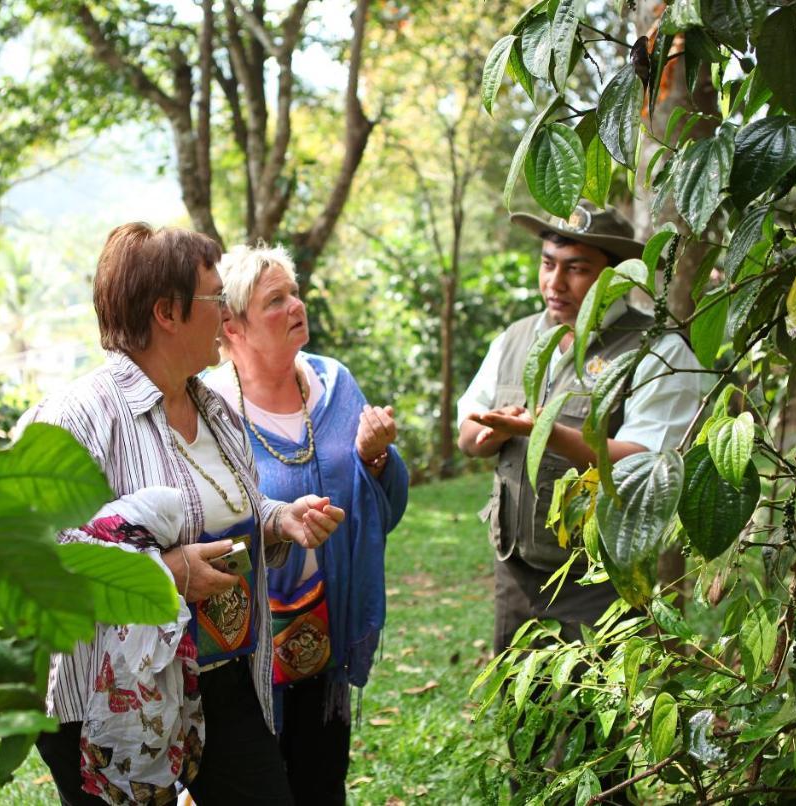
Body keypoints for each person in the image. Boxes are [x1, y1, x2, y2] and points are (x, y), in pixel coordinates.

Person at [21, 223, 346, 805]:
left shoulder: (216, 405)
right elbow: (30, 559)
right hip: (112, 697)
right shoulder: (76, 419)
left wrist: (278, 519)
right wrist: (163, 575)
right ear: (167, 312)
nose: (227, 315)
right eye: (215, 299)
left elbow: (226, 506)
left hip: (223, 678)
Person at [204, 244, 409, 805]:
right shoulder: (209, 408)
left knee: (321, 784)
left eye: (294, 292)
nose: (296, 305)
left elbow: (383, 509)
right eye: (275, 300)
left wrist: (375, 459)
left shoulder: (335, 385)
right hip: (246, 649)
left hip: (326, 633)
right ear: (231, 325)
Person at [457, 202, 703, 653]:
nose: (555, 283)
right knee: (522, 715)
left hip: (599, 581)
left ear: (616, 276)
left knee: (591, 715)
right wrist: (489, 434)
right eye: (548, 264)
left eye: (577, 269)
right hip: (516, 574)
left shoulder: (658, 349)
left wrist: (547, 432)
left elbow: (649, 462)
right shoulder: (515, 338)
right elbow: (468, 432)